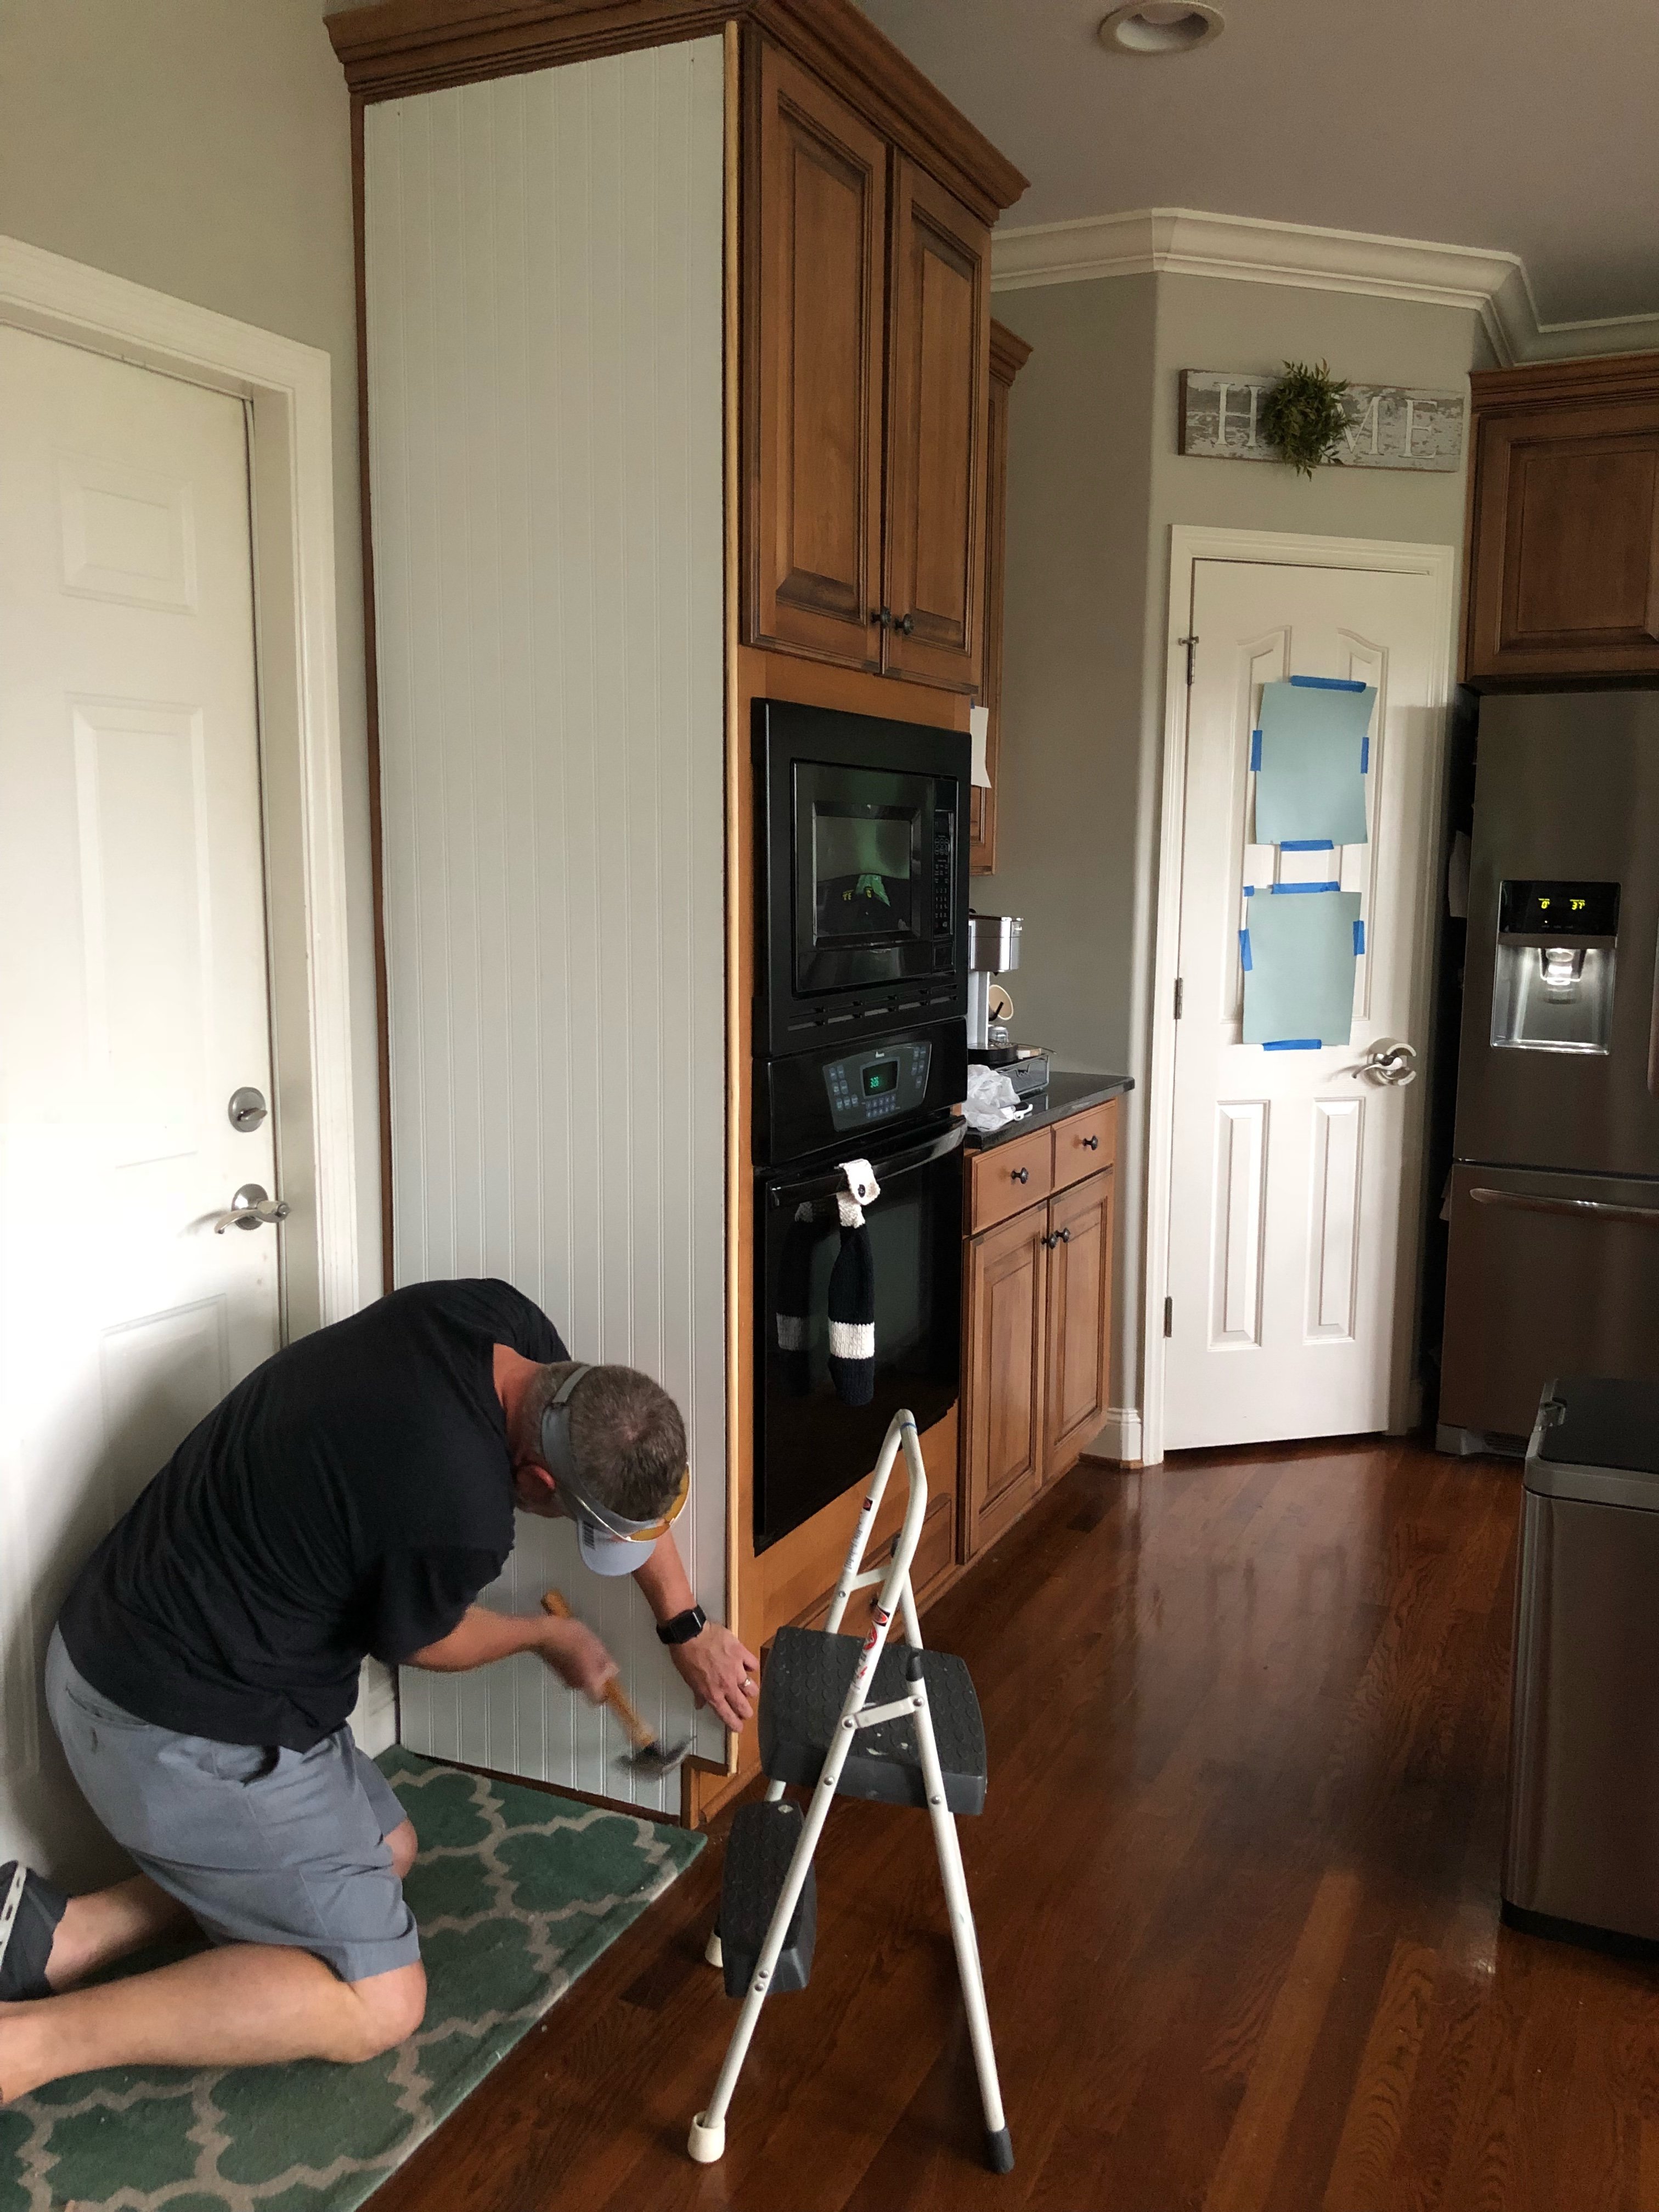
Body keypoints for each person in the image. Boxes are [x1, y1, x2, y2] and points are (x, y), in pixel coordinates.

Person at [0, 1277, 758, 2104]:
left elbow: (619, 1486)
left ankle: (63, 1936)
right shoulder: (458, 1505)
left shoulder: (500, 1325)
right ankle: (28, 2050)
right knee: (381, 2001)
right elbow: (427, 1644)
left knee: (388, 1851)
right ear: (538, 1481)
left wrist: (687, 1626)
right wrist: (542, 1635)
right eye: (574, 1520)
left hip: (135, 1627)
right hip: (168, 1714)